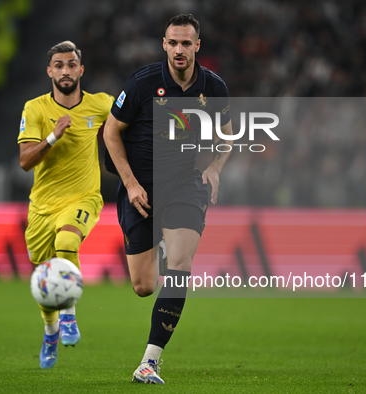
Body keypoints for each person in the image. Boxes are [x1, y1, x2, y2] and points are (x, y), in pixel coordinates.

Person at [103, 14, 233, 384]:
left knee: (179, 267)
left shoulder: (214, 87)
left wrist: (215, 168)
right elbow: (111, 133)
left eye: (186, 43)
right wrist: (129, 184)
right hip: (140, 189)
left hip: (185, 186)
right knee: (144, 287)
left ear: (197, 47)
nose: (179, 49)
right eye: (173, 43)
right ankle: (158, 244)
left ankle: (149, 361)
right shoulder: (143, 83)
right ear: (164, 45)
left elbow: (226, 136)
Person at [18, 41, 113, 369]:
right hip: (43, 206)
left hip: (84, 197)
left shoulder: (101, 105)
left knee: (68, 240)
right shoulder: (35, 109)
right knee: (43, 279)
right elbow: (25, 161)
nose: (66, 71)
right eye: (59, 65)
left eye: (71, 64)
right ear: (50, 71)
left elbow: (133, 118)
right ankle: (50, 330)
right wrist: (53, 137)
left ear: (81, 70)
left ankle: (69, 317)